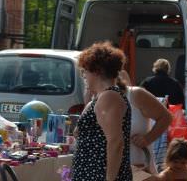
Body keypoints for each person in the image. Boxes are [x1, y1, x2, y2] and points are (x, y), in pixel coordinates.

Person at [72, 42, 132, 181]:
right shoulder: (101, 97)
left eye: (85, 70)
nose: (84, 75)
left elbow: (116, 142)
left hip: (98, 175)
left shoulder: (109, 97)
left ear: (97, 70)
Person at [118, 70, 172, 174]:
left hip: (139, 168)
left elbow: (166, 117)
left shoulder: (135, 94)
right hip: (110, 170)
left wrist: (147, 139)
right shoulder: (96, 99)